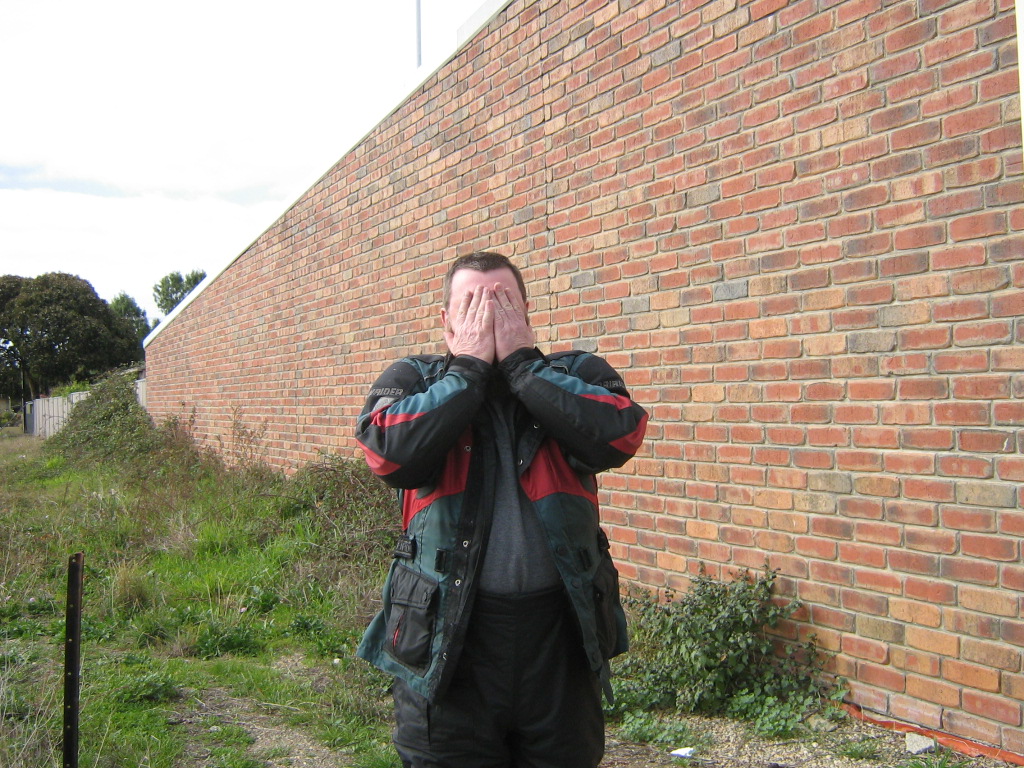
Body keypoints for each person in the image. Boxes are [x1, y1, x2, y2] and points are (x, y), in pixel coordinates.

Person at [355, 251, 648, 768]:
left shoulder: (575, 371)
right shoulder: (414, 378)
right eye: (471, 304)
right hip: (448, 640)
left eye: (502, 301)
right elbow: (388, 454)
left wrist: (523, 367)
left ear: (527, 311)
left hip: (558, 641)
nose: (487, 315)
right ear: (446, 319)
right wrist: (468, 369)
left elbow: (620, 435)